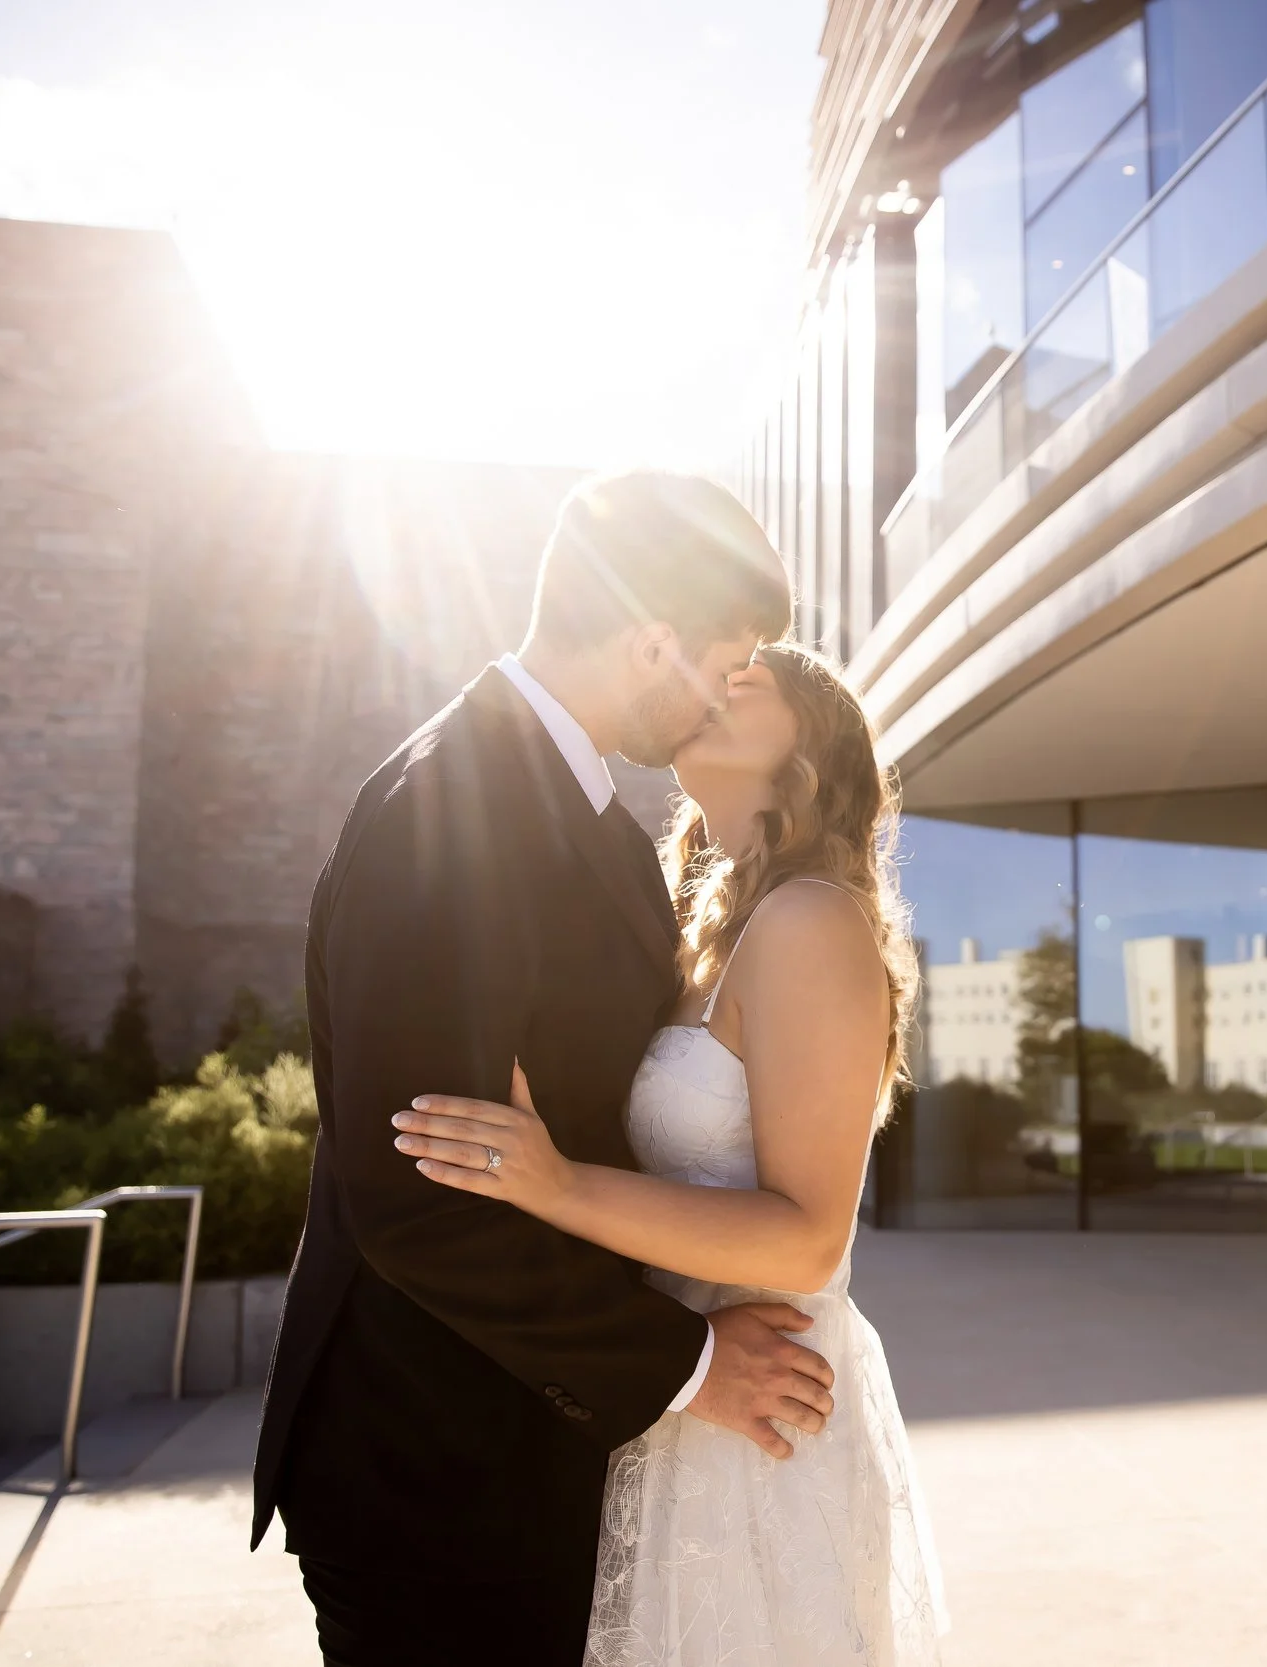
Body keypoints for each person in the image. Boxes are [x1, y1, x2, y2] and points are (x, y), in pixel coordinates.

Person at [254, 473, 846, 1667]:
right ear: (650, 640)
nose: (723, 693)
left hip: (535, 1449)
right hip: (432, 1467)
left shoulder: (593, 823)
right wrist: (687, 1363)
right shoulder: (446, 809)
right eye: (724, 659)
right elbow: (420, 1202)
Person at [389, 640, 946, 1666]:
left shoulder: (812, 919)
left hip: (763, 1414)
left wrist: (554, 1183)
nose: (719, 681)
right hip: (681, 1391)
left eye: (752, 679)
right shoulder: (706, 932)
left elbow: (808, 1239)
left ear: (815, 748)